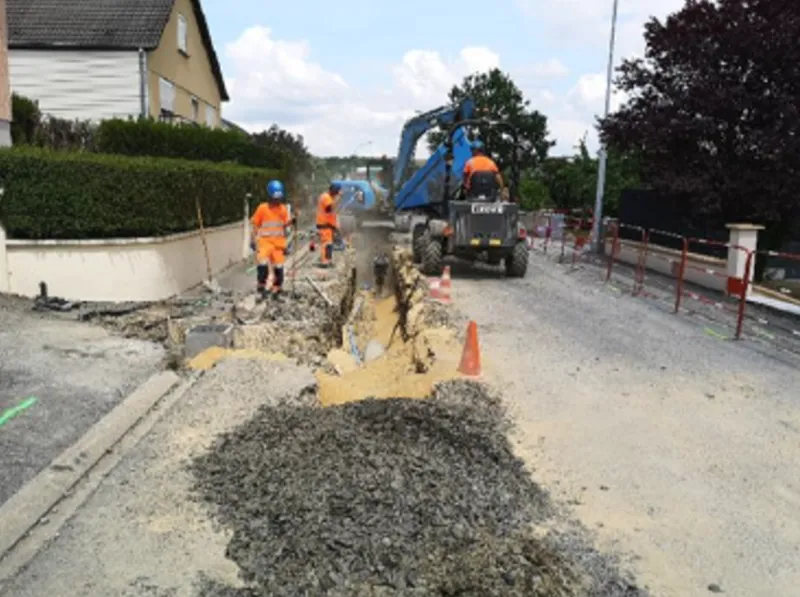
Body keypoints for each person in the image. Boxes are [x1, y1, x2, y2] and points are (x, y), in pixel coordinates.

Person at [250, 180, 294, 300]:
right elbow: (255, 225)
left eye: (279, 198)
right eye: (275, 198)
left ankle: (276, 289)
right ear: (269, 196)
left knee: (279, 267)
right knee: (262, 264)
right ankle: (261, 287)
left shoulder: (283, 209)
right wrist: (252, 240)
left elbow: (284, 226)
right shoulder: (262, 208)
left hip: (278, 244)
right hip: (265, 242)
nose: (277, 201)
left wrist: (291, 222)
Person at [316, 183, 341, 267]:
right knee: (326, 243)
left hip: (328, 224)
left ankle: (328, 260)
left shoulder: (328, 197)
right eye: (337, 193)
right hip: (324, 224)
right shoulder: (326, 197)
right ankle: (325, 261)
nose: (337, 195)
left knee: (329, 243)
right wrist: (337, 199)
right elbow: (329, 208)